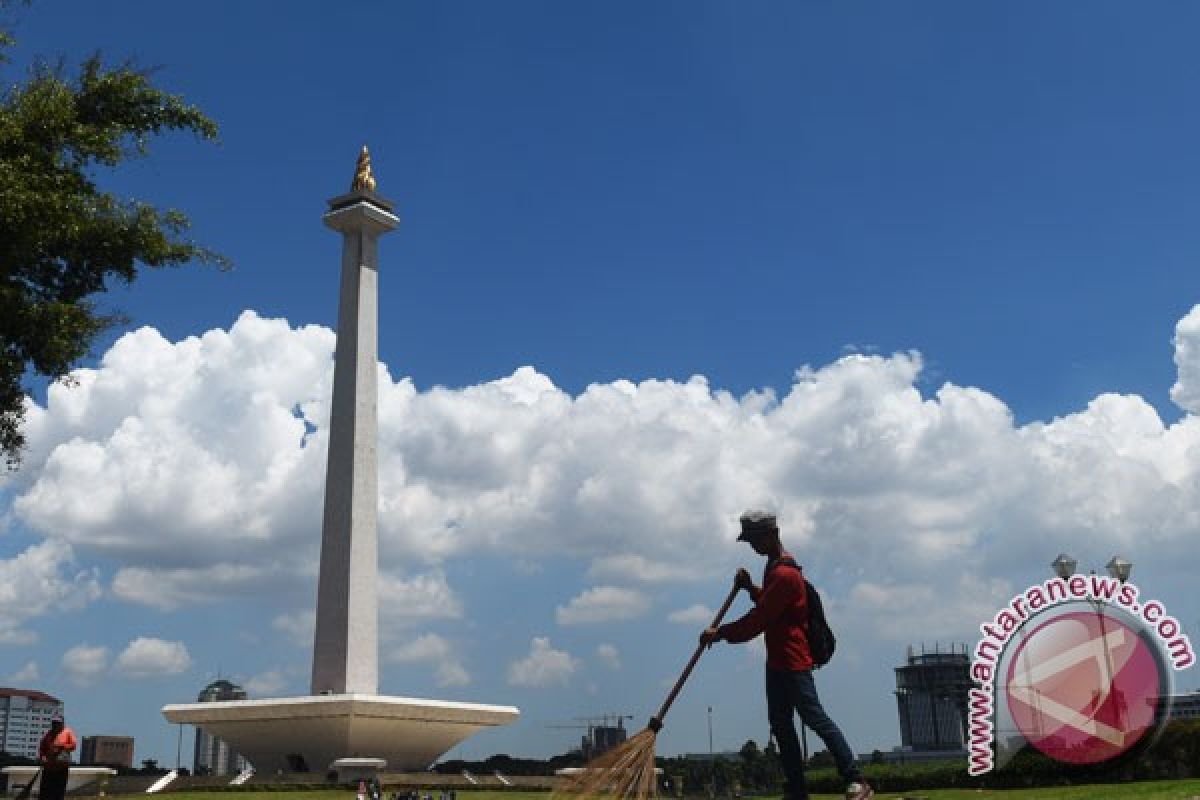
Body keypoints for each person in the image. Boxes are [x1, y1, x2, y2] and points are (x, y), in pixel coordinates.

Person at [700, 510, 873, 800]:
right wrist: (749, 588)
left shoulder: (784, 574)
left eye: (755, 539)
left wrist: (720, 634)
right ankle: (796, 790)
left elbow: (759, 620)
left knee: (814, 718)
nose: (753, 546)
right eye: (749, 541)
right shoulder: (773, 568)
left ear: (772, 535)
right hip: (777, 663)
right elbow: (771, 605)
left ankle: (857, 780)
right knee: (781, 727)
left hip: (794, 661)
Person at [37, 712, 77, 800]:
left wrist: (63, 746)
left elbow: (73, 745)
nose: (55, 725)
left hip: (61, 768)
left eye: (58, 723)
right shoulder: (48, 734)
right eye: (54, 723)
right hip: (48, 767)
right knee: (45, 793)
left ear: (62, 724)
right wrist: (42, 757)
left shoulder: (68, 732)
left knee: (58, 793)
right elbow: (42, 747)